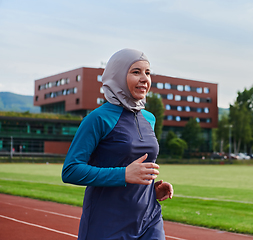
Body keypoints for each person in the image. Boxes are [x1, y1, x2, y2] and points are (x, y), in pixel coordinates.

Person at [62, 48, 173, 240]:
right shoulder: (97, 119)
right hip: (107, 224)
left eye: (147, 73)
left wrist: (151, 190)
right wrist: (123, 174)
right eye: (136, 72)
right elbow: (71, 170)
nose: (145, 78)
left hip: (149, 220)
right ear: (118, 75)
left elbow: (137, 167)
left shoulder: (149, 118)